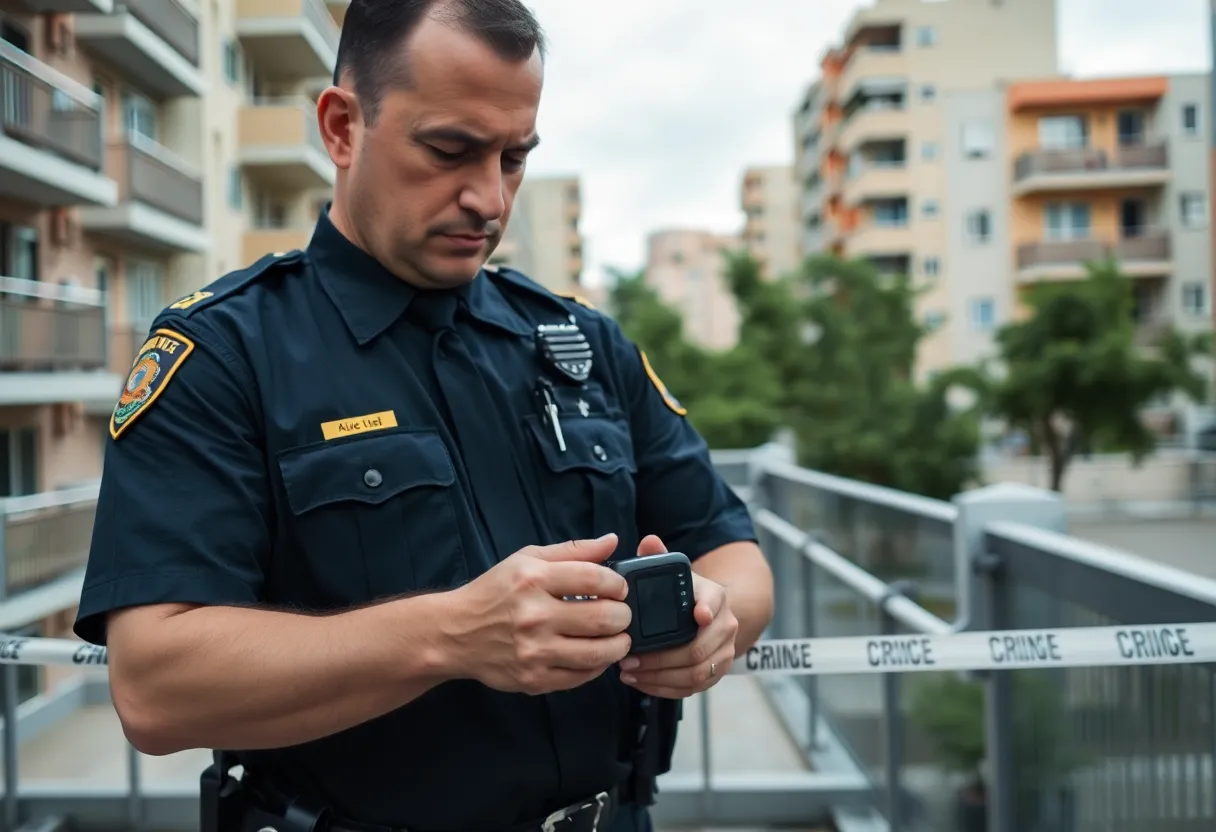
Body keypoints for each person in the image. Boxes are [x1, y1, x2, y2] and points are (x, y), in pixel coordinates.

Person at [73, 0, 774, 829]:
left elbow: (737, 555)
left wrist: (712, 622)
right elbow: (156, 686)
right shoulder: (224, 355)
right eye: (450, 149)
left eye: (515, 157)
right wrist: (449, 635)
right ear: (341, 128)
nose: (489, 197)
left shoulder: (580, 342)